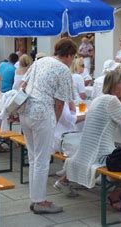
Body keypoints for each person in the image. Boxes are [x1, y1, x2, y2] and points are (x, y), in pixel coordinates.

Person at [62, 70, 121, 211]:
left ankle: (119, 191)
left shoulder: (99, 99)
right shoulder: (112, 101)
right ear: (115, 86)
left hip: (87, 153)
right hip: (101, 155)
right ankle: (115, 196)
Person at [19, 38, 76, 214]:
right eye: (73, 56)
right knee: (42, 159)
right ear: (69, 55)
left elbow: (23, 84)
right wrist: (54, 123)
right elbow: (60, 103)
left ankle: (35, 197)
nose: (73, 60)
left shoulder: (40, 61)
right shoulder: (63, 69)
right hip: (43, 113)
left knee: (33, 157)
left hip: (26, 110)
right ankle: (40, 201)